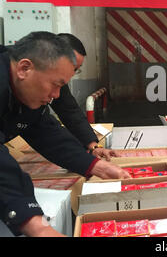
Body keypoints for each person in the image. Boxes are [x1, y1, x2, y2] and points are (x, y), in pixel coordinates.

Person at [0, 31, 130, 237]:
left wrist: (96, 166)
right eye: (56, 85)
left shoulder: (25, 92)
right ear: (25, 68)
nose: (56, 96)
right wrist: (35, 224)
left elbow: (47, 132)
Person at [52, 33, 118, 160]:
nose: (55, 95)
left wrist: (93, 146)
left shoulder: (58, 82)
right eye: (72, 68)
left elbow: (70, 112)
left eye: (77, 69)